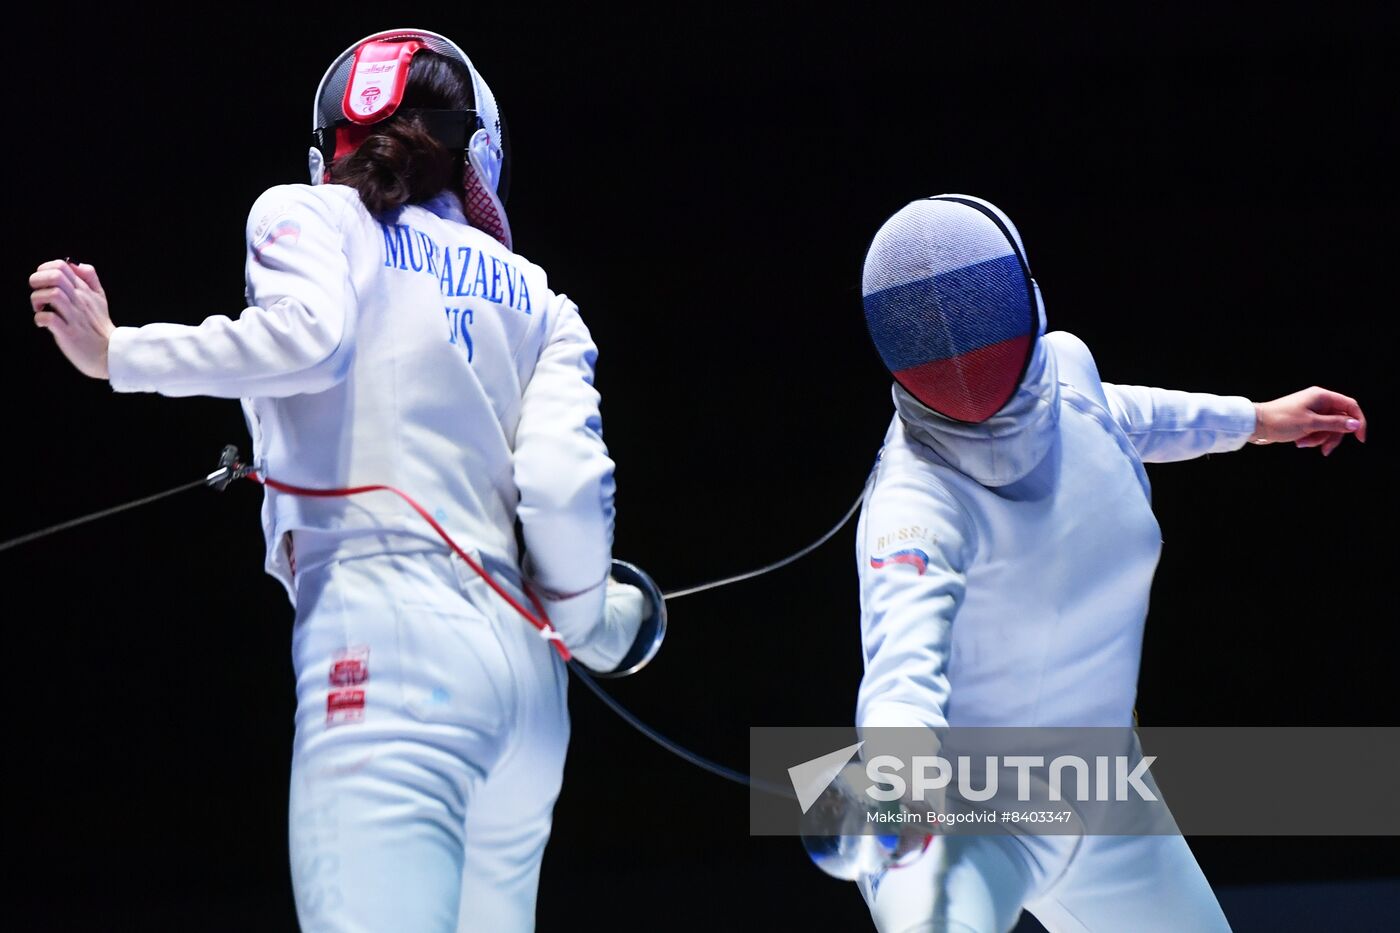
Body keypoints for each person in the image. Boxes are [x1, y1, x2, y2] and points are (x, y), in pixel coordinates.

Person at [28, 28, 650, 933]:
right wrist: (595, 625)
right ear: (480, 149)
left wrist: (118, 352)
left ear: (332, 149)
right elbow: (564, 487)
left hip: (385, 660)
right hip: (527, 696)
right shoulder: (541, 297)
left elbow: (312, 339)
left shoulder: (306, 213)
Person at [853, 195, 1367, 932]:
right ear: (1027, 295)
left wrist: (1256, 419)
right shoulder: (913, 507)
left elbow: (1117, 414)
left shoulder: (1066, 371)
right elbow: (900, 673)